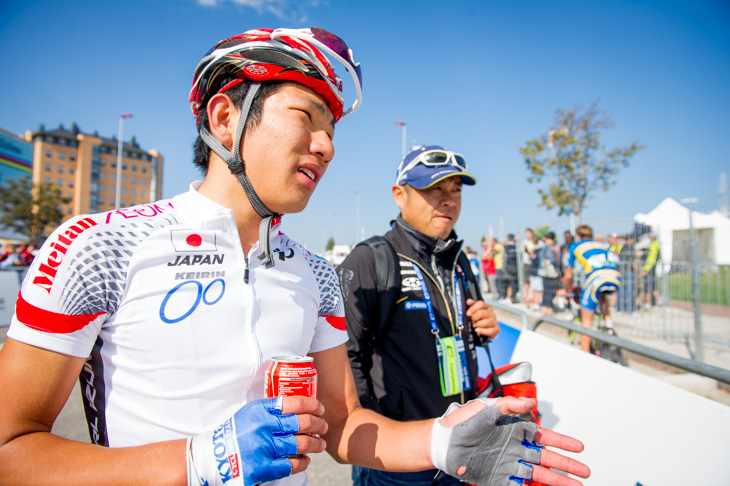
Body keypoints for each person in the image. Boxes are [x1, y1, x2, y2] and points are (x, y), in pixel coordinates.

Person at [0, 27, 589, 486]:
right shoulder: (98, 245)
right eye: (305, 117)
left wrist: (439, 441)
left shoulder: (313, 274)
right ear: (226, 118)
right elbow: (11, 453)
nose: (328, 145)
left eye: (332, 128)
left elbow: (344, 424)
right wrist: (200, 459)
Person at [339, 145, 499, 485]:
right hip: (400, 459)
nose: (449, 200)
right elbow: (345, 356)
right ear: (400, 195)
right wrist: (376, 437)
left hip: (459, 447)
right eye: (434, 189)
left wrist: (483, 327)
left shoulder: (459, 260)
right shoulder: (371, 259)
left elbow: (459, 333)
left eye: (456, 190)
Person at [559, 224, 622, 353]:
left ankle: (585, 354)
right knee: (603, 296)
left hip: (596, 279)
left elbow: (569, 274)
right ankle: (608, 323)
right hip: (615, 277)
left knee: (586, 321)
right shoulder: (601, 244)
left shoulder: (576, 246)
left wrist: (566, 290)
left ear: (578, 236)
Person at [538, 232, 561, 315]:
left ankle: (545, 308)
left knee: (546, 290)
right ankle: (549, 308)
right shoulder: (549, 248)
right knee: (550, 290)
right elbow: (553, 260)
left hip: (544, 272)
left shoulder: (542, 248)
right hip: (550, 273)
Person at [642, 231, 662, 309]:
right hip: (652, 268)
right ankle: (659, 301)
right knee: (653, 286)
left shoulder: (654, 245)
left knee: (648, 287)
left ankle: (648, 304)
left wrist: (646, 269)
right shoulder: (656, 244)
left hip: (650, 268)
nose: (649, 238)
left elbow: (651, 258)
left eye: (650, 236)